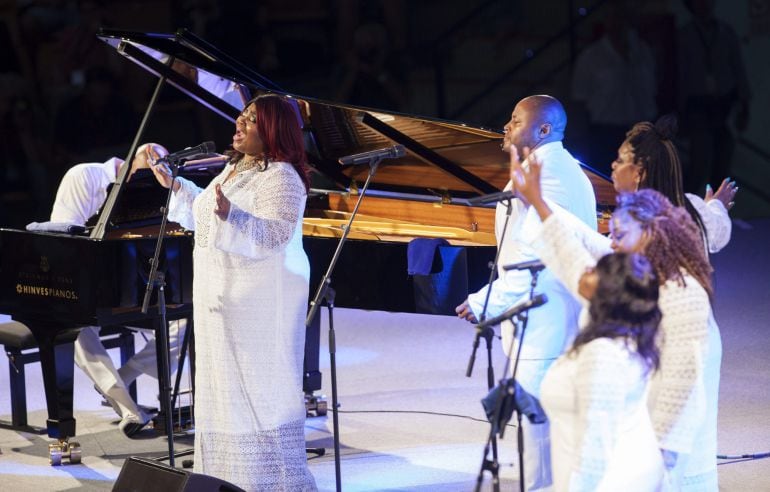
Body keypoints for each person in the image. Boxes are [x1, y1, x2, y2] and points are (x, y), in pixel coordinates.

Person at [511, 148, 721, 490]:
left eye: (620, 235)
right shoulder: (629, 278)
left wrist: (663, 465)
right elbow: (577, 263)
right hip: (630, 433)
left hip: (664, 445)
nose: (612, 243)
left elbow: (682, 387)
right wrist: (537, 202)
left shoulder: (682, 295)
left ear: (651, 234)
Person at [149, 94, 317, 491]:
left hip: (260, 310)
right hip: (222, 303)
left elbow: (275, 233)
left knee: (261, 397)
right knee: (224, 398)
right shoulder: (234, 169)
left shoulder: (282, 177)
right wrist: (178, 186)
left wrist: (233, 216)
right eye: (241, 117)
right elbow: (205, 213)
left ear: (273, 130)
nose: (239, 124)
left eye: (251, 120)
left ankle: (272, 484)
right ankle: (227, 482)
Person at [455, 94, 597, 491]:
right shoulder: (552, 167)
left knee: (540, 438)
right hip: (548, 319)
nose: (506, 126)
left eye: (516, 120)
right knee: (549, 434)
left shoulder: (550, 175)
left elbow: (536, 261)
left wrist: (485, 301)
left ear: (544, 129)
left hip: (544, 321)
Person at [41, 142, 186, 437]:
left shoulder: (156, 190)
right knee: (74, 326)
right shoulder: (84, 177)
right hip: (80, 278)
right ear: (137, 162)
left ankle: (121, 377)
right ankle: (126, 406)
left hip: (130, 281)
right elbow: (62, 238)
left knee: (186, 321)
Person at [540, 252, 664, 491]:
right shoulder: (625, 332)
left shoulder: (603, 354)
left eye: (595, 270)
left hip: (612, 479)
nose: (586, 269)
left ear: (610, 291)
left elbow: (596, 445)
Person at [610, 114, 737, 255]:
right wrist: (714, 207)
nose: (613, 164)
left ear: (639, 174)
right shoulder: (690, 206)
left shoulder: (635, 223)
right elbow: (718, 233)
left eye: (620, 160)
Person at [570, 0, 658, 175]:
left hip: (640, 128)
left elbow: (652, 89)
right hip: (604, 131)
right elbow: (579, 99)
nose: (618, 22)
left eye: (622, 17)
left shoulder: (643, 52)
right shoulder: (592, 56)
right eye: (613, 17)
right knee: (606, 176)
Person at [677, 0, 751, 194]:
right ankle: (690, 213)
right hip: (698, 107)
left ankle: (719, 211)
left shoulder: (726, 33)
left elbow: (738, 68)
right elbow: (680, 73)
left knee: (723, 162)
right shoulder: (685, 35)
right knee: (699, 163)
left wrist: (744, 104)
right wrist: (681, 111)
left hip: (724, 106)